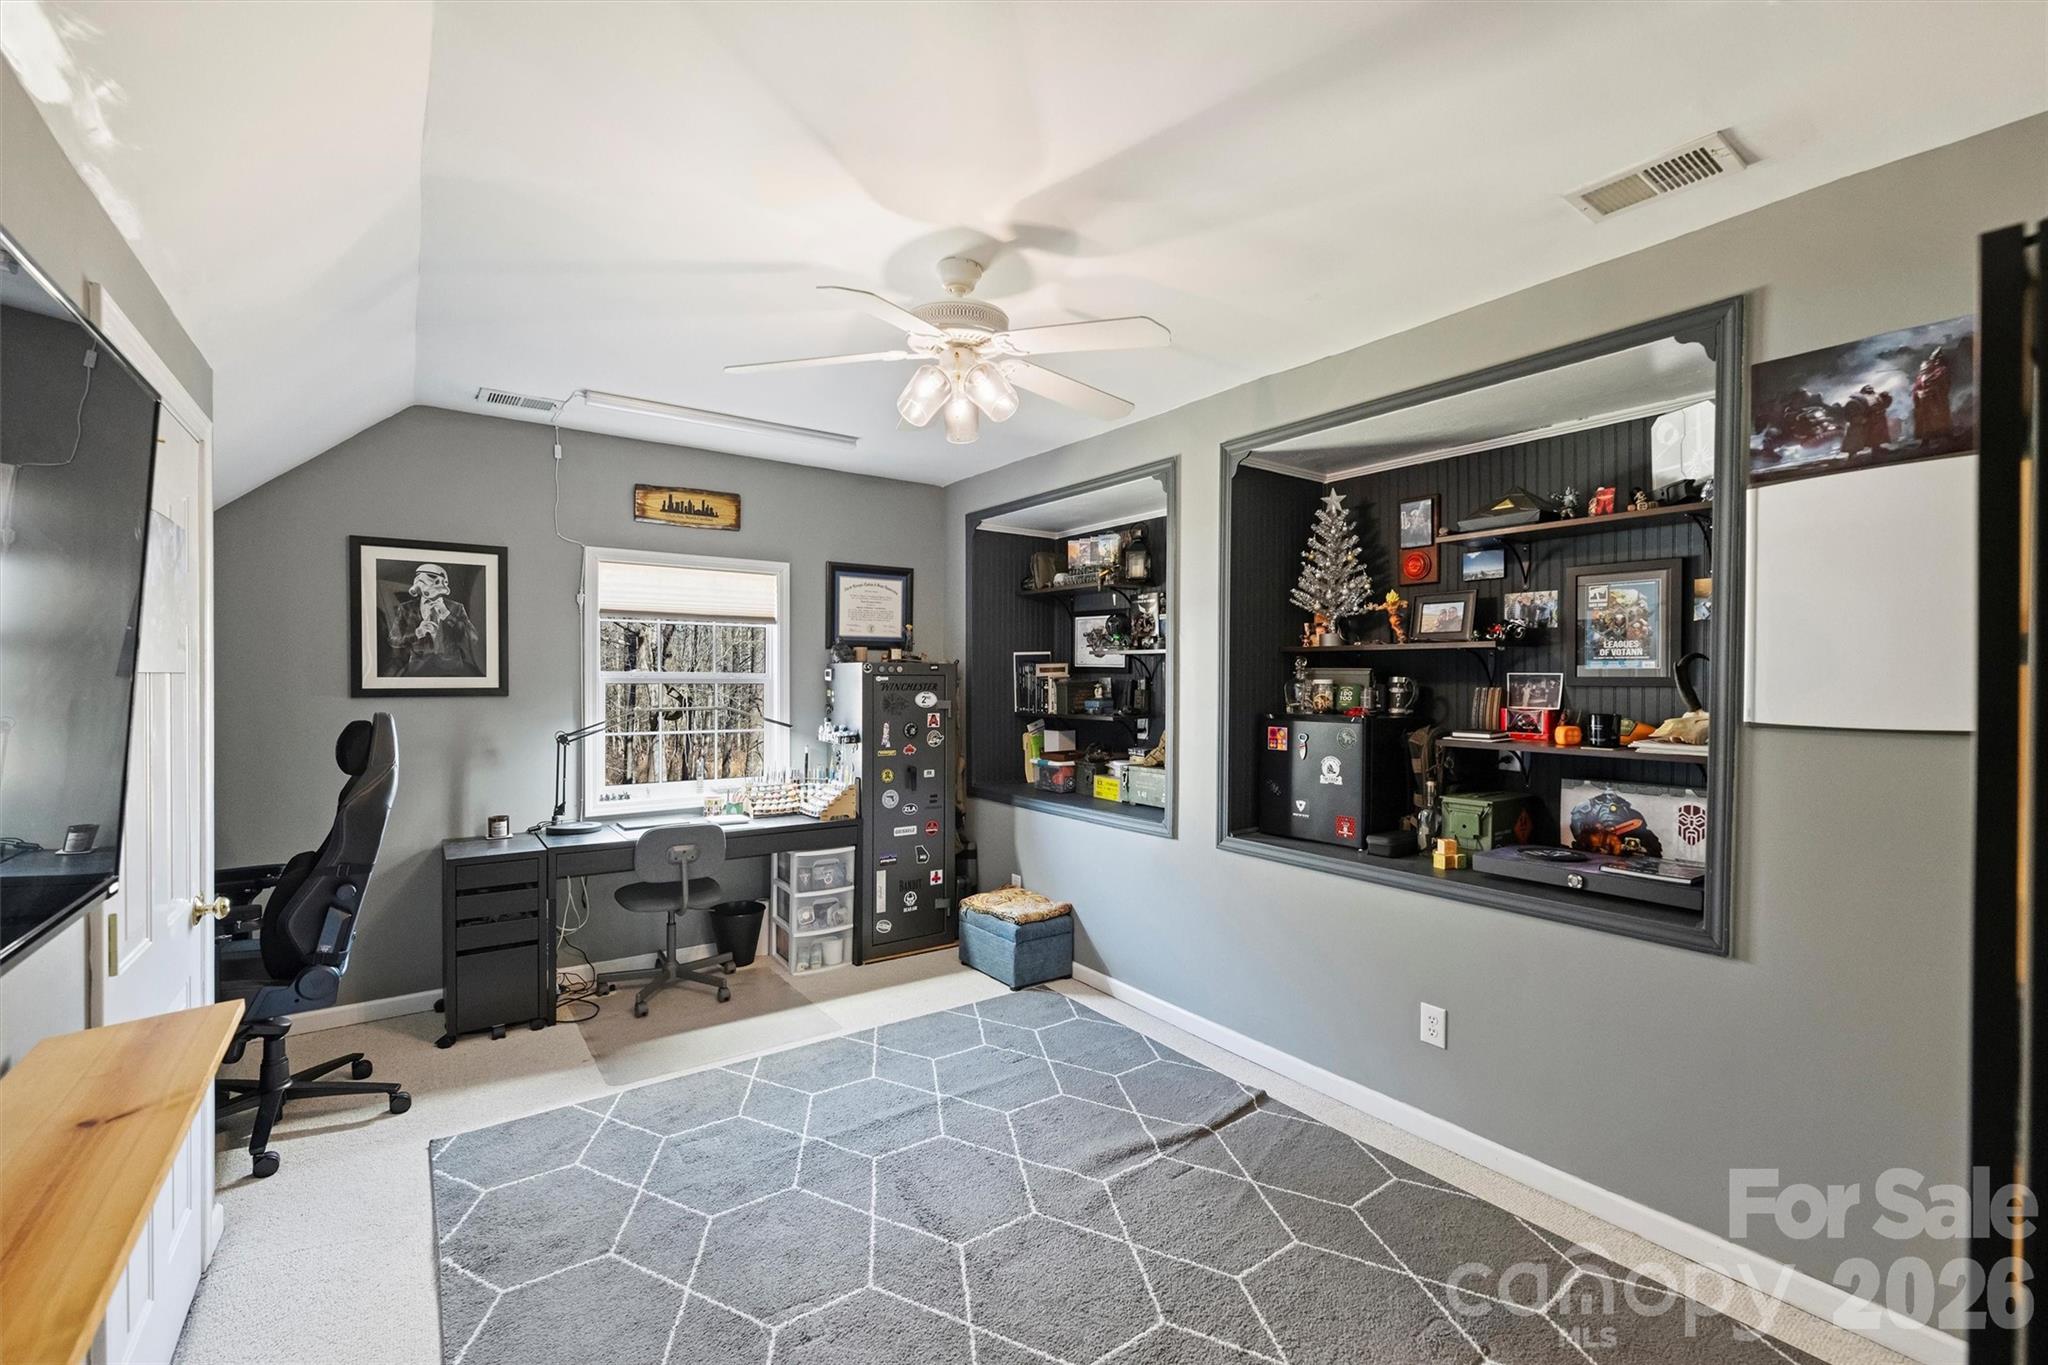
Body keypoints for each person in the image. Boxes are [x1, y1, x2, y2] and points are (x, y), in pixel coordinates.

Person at [386, 562, 481, 677]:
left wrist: (447, 615)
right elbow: (394, 640)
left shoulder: (455, 607)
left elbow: (473, 637)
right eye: (434, 582)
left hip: (453, 670)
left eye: (443, 582)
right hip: (418, 670)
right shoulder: (406, 608)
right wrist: (417, 633)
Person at [1912, 346, 1954, 443]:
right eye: (1922, 369)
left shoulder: (1940, 371)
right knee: (1925, 421)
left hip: (1937, 401)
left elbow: (1939, 384)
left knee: (1941, 418)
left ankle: (1948, 438)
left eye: (1937, 360)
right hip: (1925, 404)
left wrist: (1926, 392)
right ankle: (1925, 441)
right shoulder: (1921, 377)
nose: (1935, 361)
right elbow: (1916, 389)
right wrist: (1918, 393)